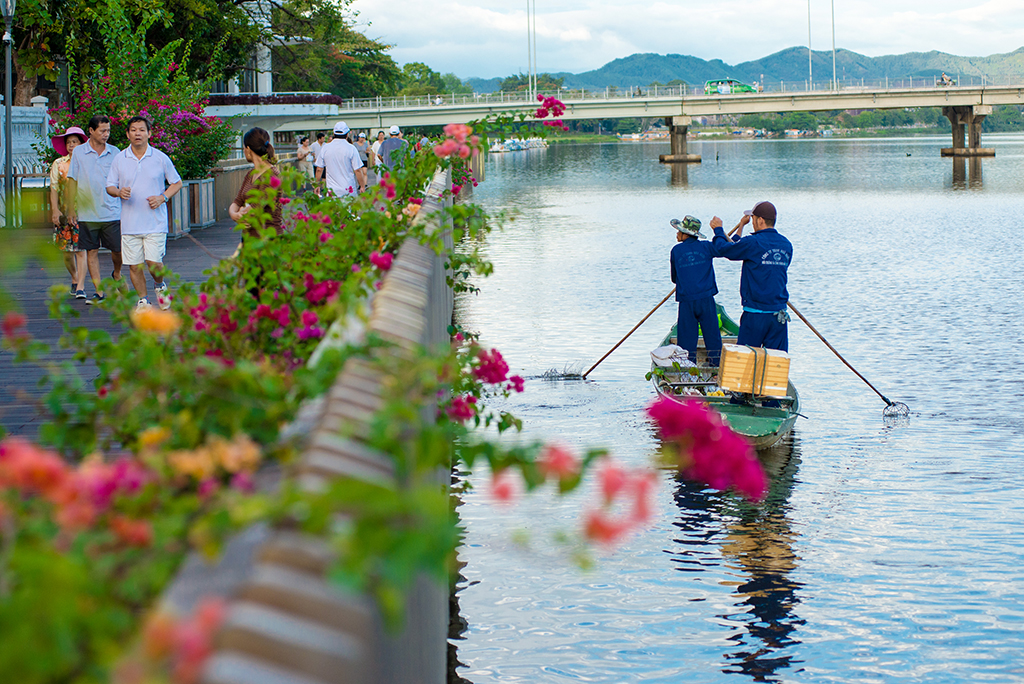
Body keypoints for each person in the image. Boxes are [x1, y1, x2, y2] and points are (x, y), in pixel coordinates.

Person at [105, 116, 183, 311]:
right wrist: (118, 192)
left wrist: (162, 197)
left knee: (153, 262)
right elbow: (109, 186)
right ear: (127, 134)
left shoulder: (159, 157)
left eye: (141, 130)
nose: (137, 133)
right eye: (133, 130)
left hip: (155, 222)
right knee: (134, 265)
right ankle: (143, 300)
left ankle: (160, 285)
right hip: (130, 222)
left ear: (149, 133)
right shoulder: (120, 158)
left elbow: (177, 182)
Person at [710, 201, 793, 351]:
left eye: (753, 218)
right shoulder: (786, 244)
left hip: (755, 315)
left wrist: (718, 230)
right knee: (776, 362)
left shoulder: (753, 242)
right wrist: (742, 225)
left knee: (745, 360)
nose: (753, 221)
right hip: (778, 315)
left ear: (760, 220)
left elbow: (723, 249)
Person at [67, 114, 124, 305]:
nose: (106, 134)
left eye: (108, 130)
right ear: (91, 131)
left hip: (112, 210)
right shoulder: (79, 153)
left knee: (118, 251)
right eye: (102, 131)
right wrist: (70, 209)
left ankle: (116, 273)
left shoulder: (115, 152)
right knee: (91, 251)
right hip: (87, 212)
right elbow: (72, 180)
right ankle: (99, 292)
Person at [670, 216, 723, 366]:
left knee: (686, 340)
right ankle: (716, 369)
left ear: (685, 234)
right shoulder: (707, 247)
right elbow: (725, 247)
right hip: (706, 299)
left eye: (679, 231)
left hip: (687, 300)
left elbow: (674, 278)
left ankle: (687, 371)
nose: (676, 234)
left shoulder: (676, 251)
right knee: (713, 337)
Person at [49, 126, 88, 298]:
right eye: (69, 142)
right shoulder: (59, 164)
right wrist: (55, 209)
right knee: (66, 251)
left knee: (81, 249)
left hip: (83, 211)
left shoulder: (87, 162)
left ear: (81, 144)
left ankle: (80, 286)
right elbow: (54, 189)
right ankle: (74, 277)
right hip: (64, 211)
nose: (72, 145)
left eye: (75, 142)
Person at [229, 127, 283, 239]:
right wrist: (235, 214)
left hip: (268, 239)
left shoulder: (272, 175)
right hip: (249, 238)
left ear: (248, 149)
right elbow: (237, 200)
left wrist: (240, 212)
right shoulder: (250, 174)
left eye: (244, 147)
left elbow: (257, 206)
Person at [314, 121, 365, 196]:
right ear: (347, 134)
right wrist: (362, 186)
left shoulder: (325, 148)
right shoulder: (351, 148)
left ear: (334, 134)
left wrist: (317, 185)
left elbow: (319, 169)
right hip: (348, 189)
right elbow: (357, 170)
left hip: (332, 190)